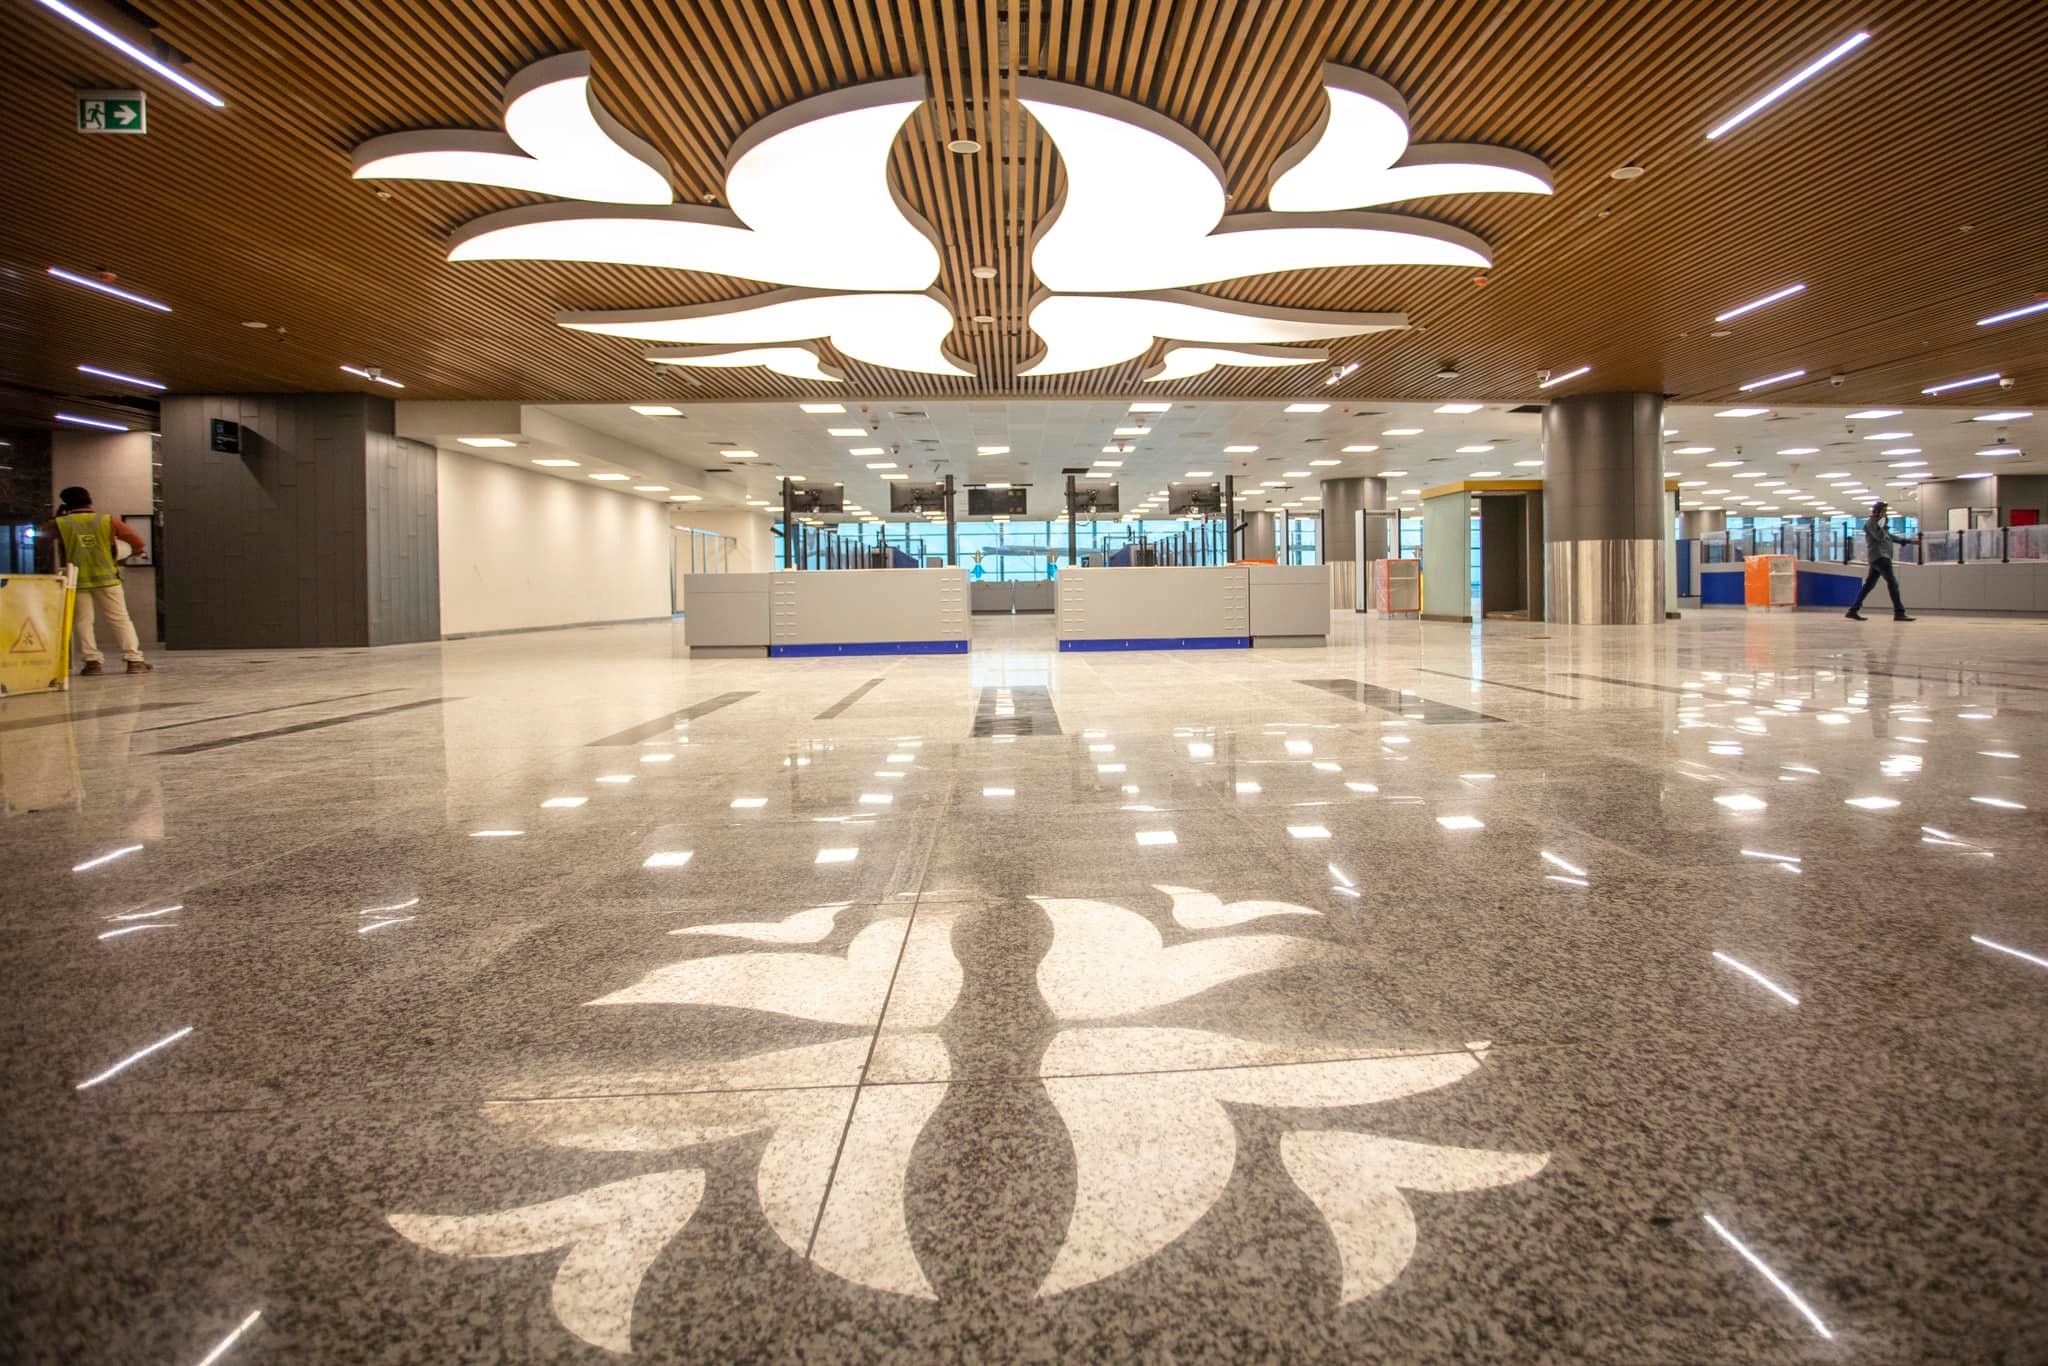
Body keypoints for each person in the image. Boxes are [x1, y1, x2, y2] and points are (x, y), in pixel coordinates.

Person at [48, 486, 154, 675]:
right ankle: (134, 661)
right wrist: (126, 554)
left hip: (77, 580)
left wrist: (59, 516)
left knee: (82, 621)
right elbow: (137, 542)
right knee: (120, 619)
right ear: (89, 500)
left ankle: (92, 663)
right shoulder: (107, 520)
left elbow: (42, 538)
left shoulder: (60, 523)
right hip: (108, 579)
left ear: (66, 503)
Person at [1846, 499, 1917, 622]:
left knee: (1869, 585)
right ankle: (1899, 612)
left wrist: (1908, 541)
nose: (1885, 513)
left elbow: (1889, 536)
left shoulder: (1878, 524)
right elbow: (1879, 537)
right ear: (1877, 512)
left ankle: (1853, 610)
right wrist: (1883, 525)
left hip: (1880, 557)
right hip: (1880, 557)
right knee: (1892, 583)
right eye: (1883, 511)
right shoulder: (1871, 524)